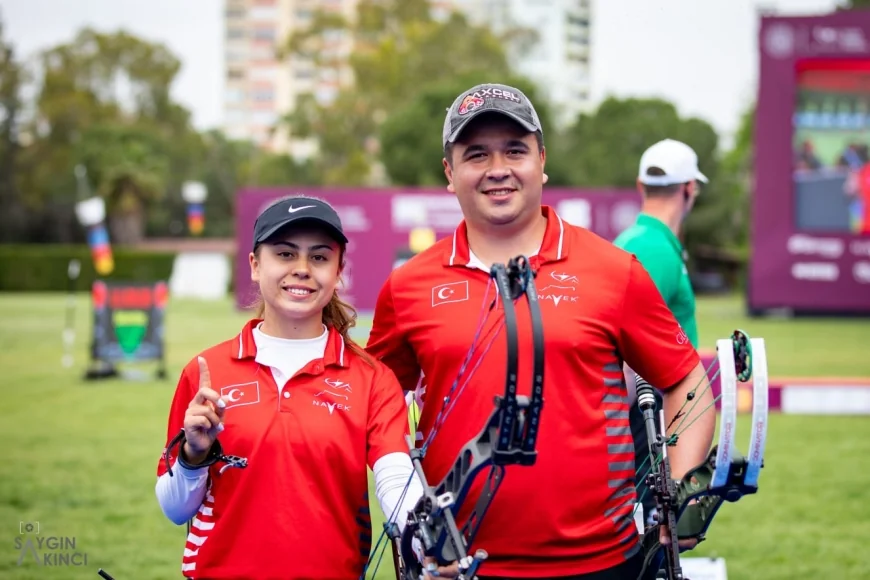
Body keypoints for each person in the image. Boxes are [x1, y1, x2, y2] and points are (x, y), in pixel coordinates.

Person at [365, 83, 715, 580]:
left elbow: (686, 382)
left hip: (602, 563)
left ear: (542, 161)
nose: (498, 169)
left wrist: (677, 488)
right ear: (450, 172)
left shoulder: (614, 270)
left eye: (515, 150)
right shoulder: (408, 285)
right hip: (456, 565)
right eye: (476, 154)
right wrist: (401, 488)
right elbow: (375, 399)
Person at [154, 195, 424, 579]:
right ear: (253, 265)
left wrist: (424, 534)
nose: (302, 269)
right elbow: (174, 508)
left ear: (339, 270)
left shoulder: (371, 377)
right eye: (284, 254)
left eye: (318, 257)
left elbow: (395, 478)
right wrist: (194, 455)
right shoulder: (206, 371)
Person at [613, 138, 708, 526]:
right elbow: (618, 353)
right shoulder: (651, 249)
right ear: (690, 189)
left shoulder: (645, 243)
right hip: (640, 425)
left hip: (643, 420)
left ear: (640, 186)